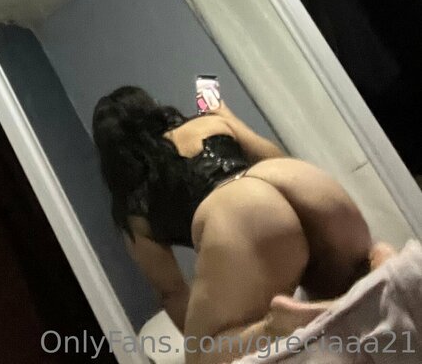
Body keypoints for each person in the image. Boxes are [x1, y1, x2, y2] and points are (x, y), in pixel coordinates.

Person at [92, 86, 393, 363]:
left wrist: (207, 338)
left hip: (244, 213)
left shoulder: (134, 203)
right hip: (299, 181)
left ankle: (277, 326)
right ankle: (376, 263)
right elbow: (273, 156)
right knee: (355, 295)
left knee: (201, 357)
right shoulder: (209, 122)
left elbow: (172, 293)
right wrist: (225, 114)